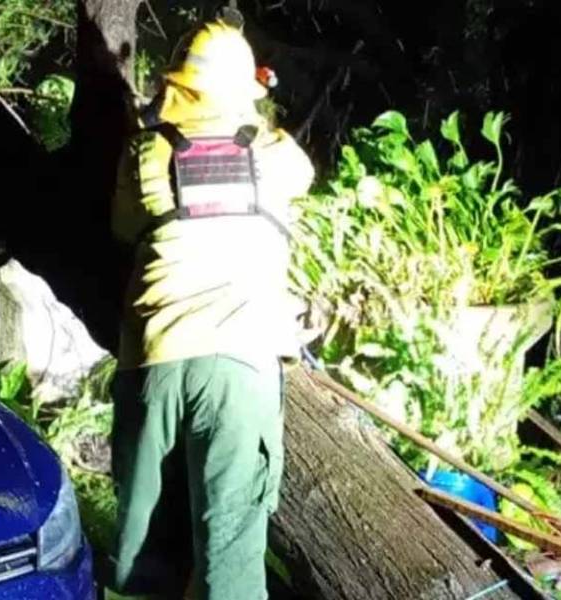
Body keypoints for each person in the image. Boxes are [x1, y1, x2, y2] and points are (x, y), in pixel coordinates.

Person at [106, 15, 315, 600]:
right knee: (229, 547)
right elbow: (299, 181)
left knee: (146, 542)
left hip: (157, 357)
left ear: (180, 86)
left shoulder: (145, 152)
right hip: (243, 365)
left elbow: (124, 229)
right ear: (249, 89)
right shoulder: (280, 156)